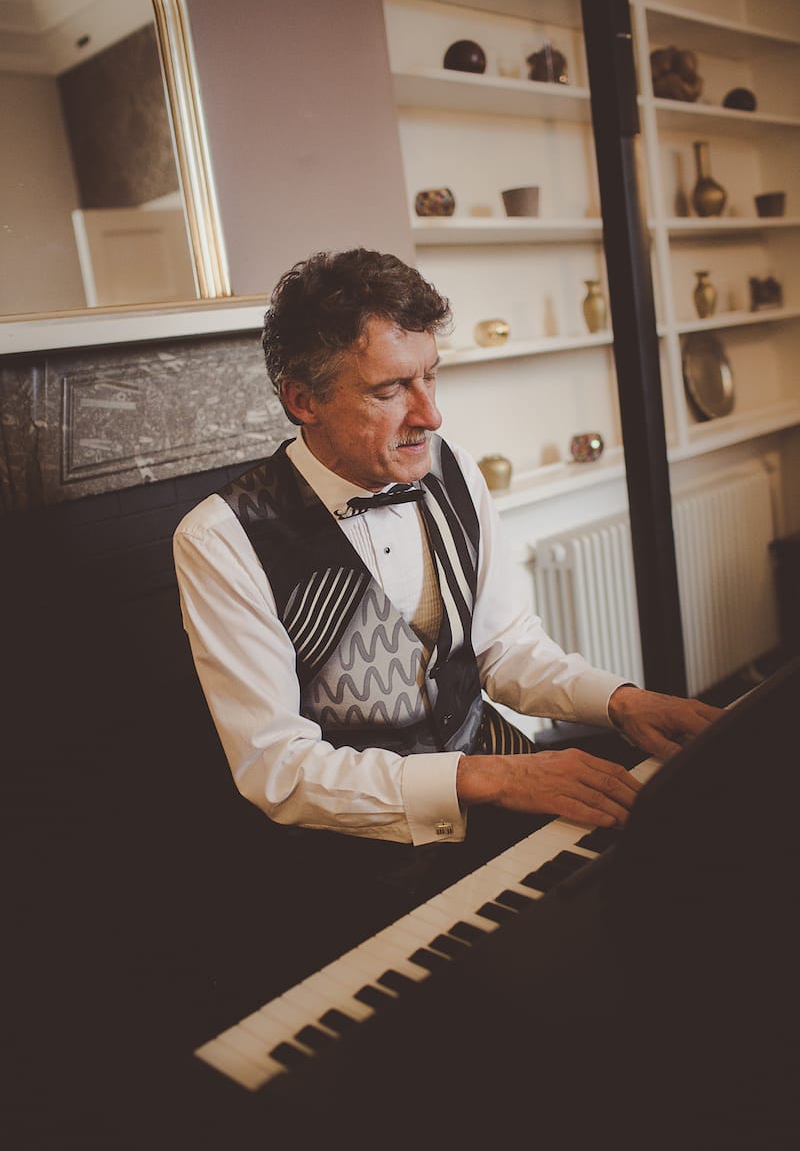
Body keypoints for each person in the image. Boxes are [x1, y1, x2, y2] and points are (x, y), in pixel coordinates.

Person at [173, 248, 721, 892]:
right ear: (302, 400)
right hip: (361, 858)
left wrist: (621, 702)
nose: (429, 414)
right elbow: (277, 768)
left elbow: (506, 648)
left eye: (430, 377)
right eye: (390, 390)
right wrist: (483, 779)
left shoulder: (450, 467)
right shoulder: (221, 539)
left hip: (508, 781)